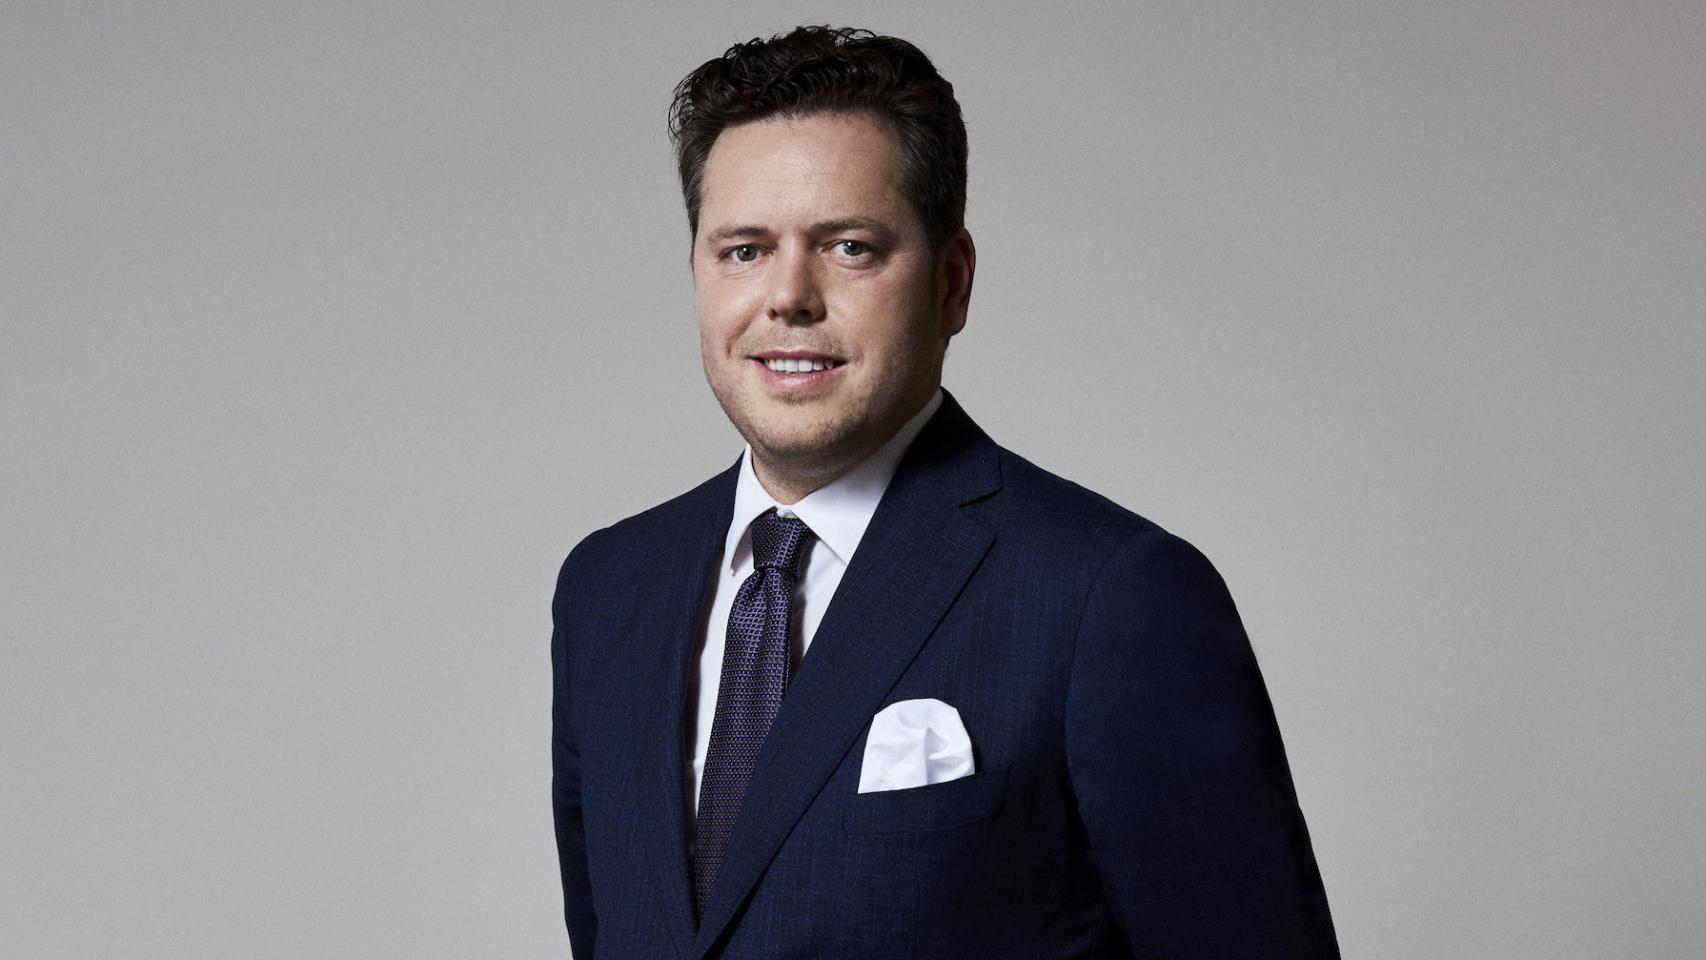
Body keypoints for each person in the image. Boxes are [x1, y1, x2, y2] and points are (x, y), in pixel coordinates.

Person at [550, 25, 1339, 959]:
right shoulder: (608, 590)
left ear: (952, 283)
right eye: (744, 251)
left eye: (849, 247)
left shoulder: (1112, 597)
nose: (789, 296)